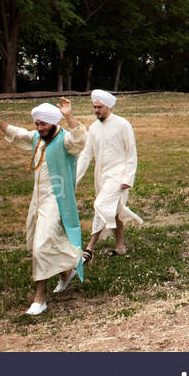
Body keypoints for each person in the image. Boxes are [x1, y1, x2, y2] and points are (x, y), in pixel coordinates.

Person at [0, 98, 87, 316]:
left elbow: (80, 139)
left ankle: (40, 299)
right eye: (37, 124)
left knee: (41, 247)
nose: (39, 128)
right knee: (35, 242)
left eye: (43, 125)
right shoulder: (38, 138)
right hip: (37, 200)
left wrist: (69, 115)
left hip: (56, 200)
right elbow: (18, 133)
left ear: (53, 123)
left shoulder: (65, 139)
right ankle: (67, 272)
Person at [76, 89, 143, 262]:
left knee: (101, 205)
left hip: (119, 176)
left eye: (99, 107)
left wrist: (128, 178)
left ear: (108, 106)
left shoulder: (122, 124)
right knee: (114, 211)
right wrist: (74, 178)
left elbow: (131, 153)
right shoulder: (94, 128)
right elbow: (86, 155)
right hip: (102, 176)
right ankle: (120, 246)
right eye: (94, 107)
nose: (96, 110)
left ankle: (89, 249)